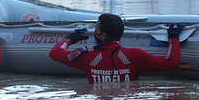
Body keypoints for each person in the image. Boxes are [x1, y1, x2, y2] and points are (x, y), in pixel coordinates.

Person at [49, 13, 183, 83]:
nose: (94, 32)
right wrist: (173, 36)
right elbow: (172, 63)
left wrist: (71, 38)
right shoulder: (135, 56)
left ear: (103, 35)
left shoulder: (87, 58)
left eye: (96, 29)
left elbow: (54, 53)